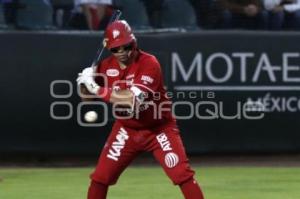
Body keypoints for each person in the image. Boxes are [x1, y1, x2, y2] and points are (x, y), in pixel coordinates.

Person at [77, 20, 205, 199]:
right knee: (100, 178)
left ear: (134, 42)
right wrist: (84, 82)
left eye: (126, 46)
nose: (122, 53)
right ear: (109, 48)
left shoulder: (149, 63)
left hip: (158, 129)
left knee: (182, 175)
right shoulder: (104, 67)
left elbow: (132, 100)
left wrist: (95, 88)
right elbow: (86, 99)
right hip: (126, 129)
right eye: (116, 49)